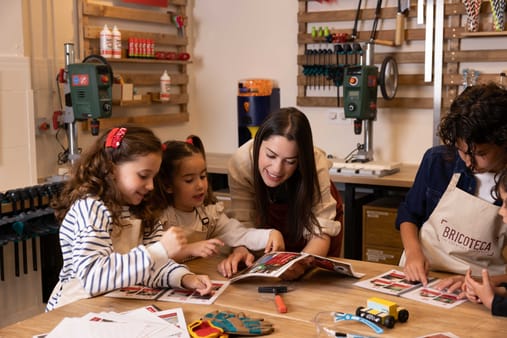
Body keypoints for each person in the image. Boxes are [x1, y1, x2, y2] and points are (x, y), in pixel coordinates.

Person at [46, 126, 213, 311]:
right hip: (73, 309)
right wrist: (159, 250)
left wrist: (183, 278)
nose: (150, 186)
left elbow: (150, 267)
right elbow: (93, 278)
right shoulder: (92, 208)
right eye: (143, 176)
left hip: (114, 305)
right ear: (111, 169)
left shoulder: (142, 209)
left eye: (154, 177)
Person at [396, 83, 507, 291]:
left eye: (480, 154)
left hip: (481, 284)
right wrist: (413, 253)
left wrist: (488, 283)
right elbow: (409, 213)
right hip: (425, 274)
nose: (468, 162)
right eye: (461, 151)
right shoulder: (438, 161)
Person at [218, 107, 343, 280]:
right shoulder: (241, 163)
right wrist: (241, 249)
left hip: (313, 236)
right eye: (270, 155)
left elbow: (320, 233)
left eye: (290, 161)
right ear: (258, 143)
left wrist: (301, 264)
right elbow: (243, 226)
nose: (277, 169)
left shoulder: (315, 163)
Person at [154, 135, 285, 263]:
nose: (200, 185)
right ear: (168, 185)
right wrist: (189, 249)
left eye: (203, 176)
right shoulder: (159, 219)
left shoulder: (210, 215)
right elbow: (153, 258)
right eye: (189, 180)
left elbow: (237, 233)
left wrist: (269, 235)